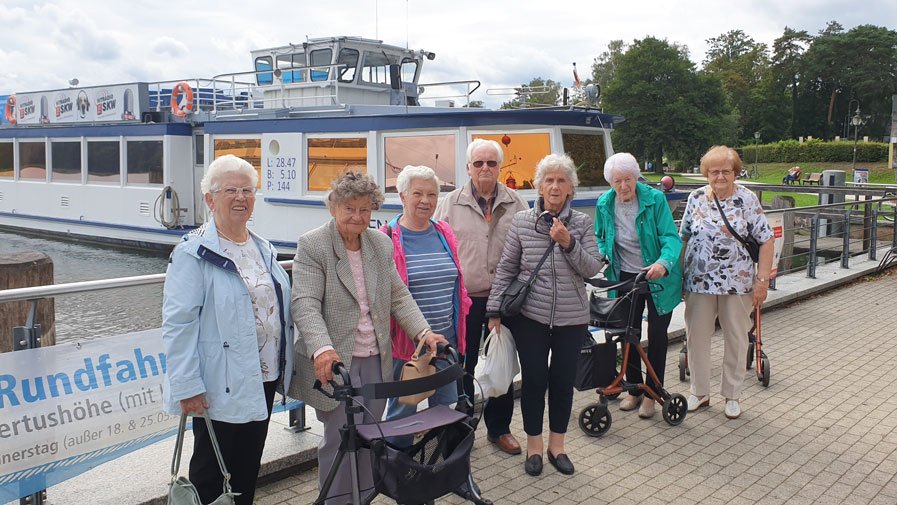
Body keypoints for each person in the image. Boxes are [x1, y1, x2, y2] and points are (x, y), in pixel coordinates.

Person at [287, 171, 448, 504]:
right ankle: (335, 499)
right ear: (333, 206)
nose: (357, 217)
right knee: (338, 437)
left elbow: (398, 295)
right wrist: (322, 349)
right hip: (335, 363)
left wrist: (423, 331)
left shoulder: (380, 243)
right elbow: (305, 304)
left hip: (375, 357)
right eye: (349, 208)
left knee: (370, 434)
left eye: (364, 209)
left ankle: (363, 495)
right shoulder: (313, 244)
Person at [162, 154, 294, 505]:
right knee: (212, 471)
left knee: (247, 468)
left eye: (247, 190)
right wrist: (187, 386)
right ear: (210, 199)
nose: (240, 197)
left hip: (262, 375)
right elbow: (178, 324)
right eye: (230, 190)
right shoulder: (193, 254)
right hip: (218, 381)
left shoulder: (262, 247)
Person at [486, 153, 604, 476]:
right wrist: (494, 311)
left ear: (570, 188)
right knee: (535, 382)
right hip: (531, 318)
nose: (554, 186)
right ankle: (534, 447)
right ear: (538, 186)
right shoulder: (522, 222)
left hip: (571, 319)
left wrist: (568, 243)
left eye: (561, 180)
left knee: (563, 383)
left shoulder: (581, 223)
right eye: (548, 180)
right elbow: (507, 269)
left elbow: (593, 268)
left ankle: (557, 447)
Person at [434, 138, 528, 456]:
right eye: (479, 163)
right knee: (464, 365)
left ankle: (499, 429)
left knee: (501, 366)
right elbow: (439, 251)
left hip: (506, 301)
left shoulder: (517, 204)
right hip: (466, 301)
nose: (485, 168)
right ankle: (460, 429)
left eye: (491, 163)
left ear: (500, 167)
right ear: (468, 168)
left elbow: (529, 253)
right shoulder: (449, 204)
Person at [680, 145, 774, 419]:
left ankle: (732, 395)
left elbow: (766, 239)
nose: (720, 176)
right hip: (698, 281)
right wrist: (680, 278)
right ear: (706, 174)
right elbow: (684, 237)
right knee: (696, 337)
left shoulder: (747, 199)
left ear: (735, 172)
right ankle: (699, 392)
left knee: (736, 336)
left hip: (738, 282)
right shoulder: (696, 198)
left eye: (725, 171)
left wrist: (762, 281)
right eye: (714, 171)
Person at [380, 165, 471, 442]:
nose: (425, 200)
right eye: (417, 193)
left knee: (445, 410)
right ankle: (399, 473)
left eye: (432, 194)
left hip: (445, 342)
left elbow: (458, 285)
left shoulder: (443, 231)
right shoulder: (387, 237)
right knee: (402, 415)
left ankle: (439, 469)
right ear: (402, 195)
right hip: (408, 346)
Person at [594, 153, 683, 419]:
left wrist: (663, 263)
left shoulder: (654, 200)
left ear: (636, 177)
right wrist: (602, 254)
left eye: (628, 179)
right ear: (610, 182)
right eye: (617, 181)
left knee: (657, 335)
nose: (623, 186)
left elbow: (670, 237)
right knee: (626, 332)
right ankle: (633, 388)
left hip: (657, 275)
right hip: (624, 276)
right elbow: (600, 236)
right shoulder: (604, 203)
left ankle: (653, 393)